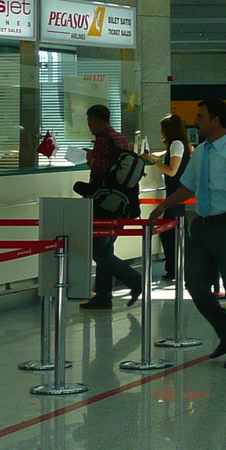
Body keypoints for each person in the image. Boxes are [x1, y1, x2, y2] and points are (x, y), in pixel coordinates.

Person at [148, 98, 226, 368]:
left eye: (201, 116)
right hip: (202, 228)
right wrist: (163, 205)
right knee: (196, 286)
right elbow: (187, 187)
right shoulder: (200, 152)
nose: (195, 121)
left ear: (216, 120)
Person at [75, 104, 144, 310]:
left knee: (98, 249)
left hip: (104, 203)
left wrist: (91, 160)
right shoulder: (121, 138)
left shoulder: (103, 140)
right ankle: (103, 295)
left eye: (88, 121)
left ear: (94, 120)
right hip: (122, 202)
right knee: (106, 246)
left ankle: (134, 279)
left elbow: (102, 173)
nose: (88, 125)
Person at [141, 113, 192, 283]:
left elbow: (172, 170)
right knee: (175, 231)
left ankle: (175, 269)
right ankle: (177, 268)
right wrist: (154, 156)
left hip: (176, 192)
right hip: (177, 191)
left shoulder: (176, 144)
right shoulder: (177, 144)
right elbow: (167, 154)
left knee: (170, 232)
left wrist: (153, 161)